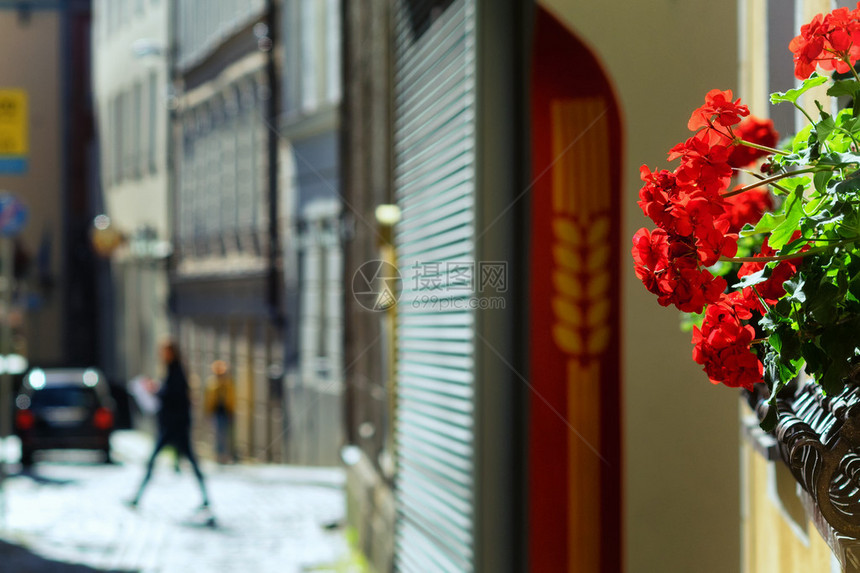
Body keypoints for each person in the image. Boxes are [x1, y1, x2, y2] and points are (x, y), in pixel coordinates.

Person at [128, 340, 210, 510]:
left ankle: (138, 496)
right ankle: (137, 496)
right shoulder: (173, 370)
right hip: (172, 425)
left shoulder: (177, 372)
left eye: (164, 351)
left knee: (159, 460)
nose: (162, 355)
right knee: (183, 462)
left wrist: (155, 390)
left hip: (175, 426)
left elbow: (174, 397)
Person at [204, 360, 236, 464]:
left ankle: (225, 454)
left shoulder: (228, 383)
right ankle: (218, 455)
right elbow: (208, 398)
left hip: (226, 411)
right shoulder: (212, 383)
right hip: (216, 411)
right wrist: (207, 411)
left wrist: (232, 410)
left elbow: (232, 397)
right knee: (218, 433)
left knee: (226, 433)